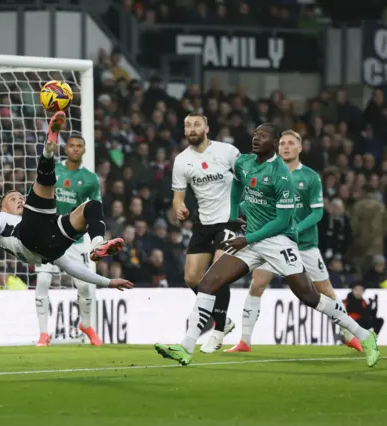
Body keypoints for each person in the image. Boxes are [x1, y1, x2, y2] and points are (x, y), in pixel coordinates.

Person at [155, 124, 380, 368]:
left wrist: (247, 239)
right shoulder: (244, 162)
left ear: (273, 144)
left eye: (263, 136)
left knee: (310, 296)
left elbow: (283, 221)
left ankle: (365, 336)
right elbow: (237, 185)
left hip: (278, 241)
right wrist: (233, 216)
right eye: (255, 135)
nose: (256, 138)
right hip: (251, 238)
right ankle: (186, 347)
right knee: (209, 283)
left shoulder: (281, 176)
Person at [0, 112, 131, 293]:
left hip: (49, 245)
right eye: (13, 199)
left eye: (21, 197)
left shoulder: (27, 216)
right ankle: (48, 149)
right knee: (45, 184)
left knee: (92, 206)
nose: (19, 200)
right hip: (28, 236)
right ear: (3, 208)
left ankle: (97, 243)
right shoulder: (2, 217)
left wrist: (107, 282)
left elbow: (71, 267)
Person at [226, 130, 362, 352]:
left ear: (300, 148)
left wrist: (294, 229)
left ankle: (349, 334)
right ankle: (245, 340)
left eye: (291, 143)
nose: (286, 147)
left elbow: (317, 214)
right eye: (282, 143)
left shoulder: (310, 177)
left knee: (325, 290)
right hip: (272, 241)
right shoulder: (266, 170)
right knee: (257, 284)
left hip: (305, 244)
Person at [170, 113, 241, 353]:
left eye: (196, 124)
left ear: (207, 128)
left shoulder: (227, 152)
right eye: (187, 125)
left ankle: (218, 331)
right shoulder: (181, 161)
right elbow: (178, 198)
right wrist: (179, 209)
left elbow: (247, 179)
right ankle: (225, 320)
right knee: (192, 278)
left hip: (230, 220)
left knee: (217, 272)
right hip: (204, 222)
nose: (191, 128)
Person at [34, 134, 103, 347]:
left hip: (74, 239)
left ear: (84, 150)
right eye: (71, 145)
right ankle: (44, 334)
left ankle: (87, 326)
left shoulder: (90, 179)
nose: (74, 149)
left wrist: (97, 239)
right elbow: (36, 194)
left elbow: (94, 210)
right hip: (48, 234)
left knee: (85, 286)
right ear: (66, 149)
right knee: (43, 282)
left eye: (79, 146)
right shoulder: (53, 170)